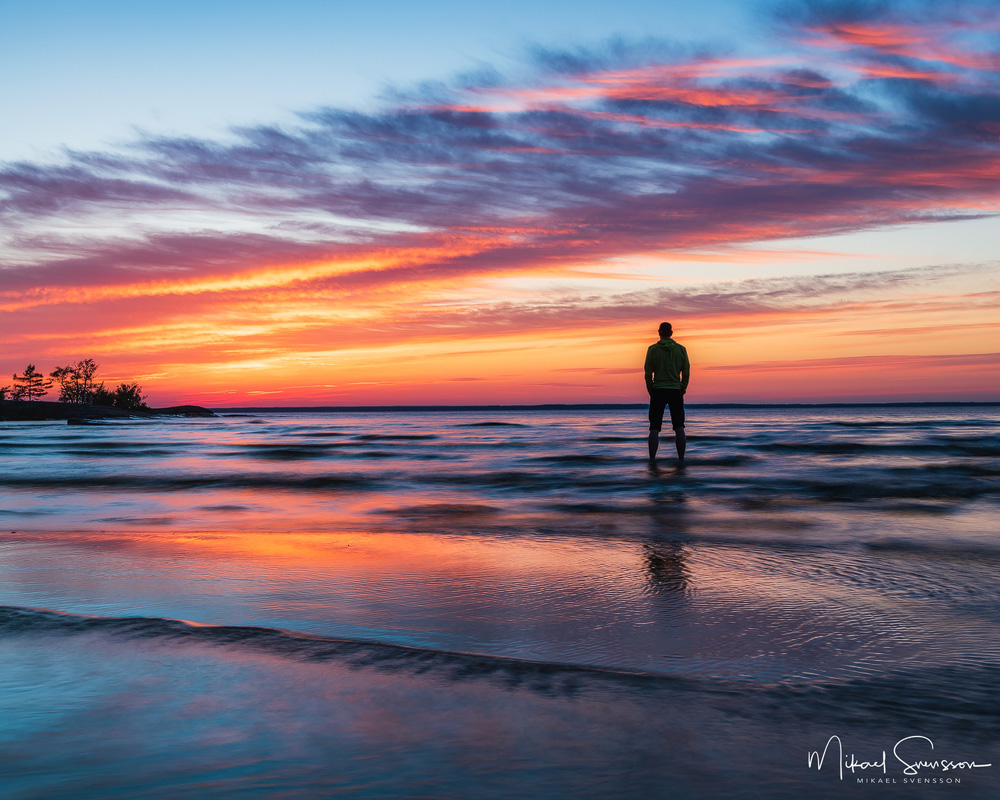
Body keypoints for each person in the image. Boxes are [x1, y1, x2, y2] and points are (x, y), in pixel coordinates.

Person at [644, 322, 690, 462]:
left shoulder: (652, 349)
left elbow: (647, 373)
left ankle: (652, 460)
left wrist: (651, 390)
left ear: (659, 333)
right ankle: (681, 460)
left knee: (654, 428)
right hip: (675, 390)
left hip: (658, 390)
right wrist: (682, 388)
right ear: (671, 333)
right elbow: (686, 372)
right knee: (679, 427)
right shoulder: (681, 349)